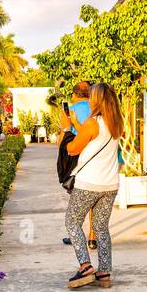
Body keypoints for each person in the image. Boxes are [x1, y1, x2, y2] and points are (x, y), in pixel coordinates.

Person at [63, 82, 124, 289]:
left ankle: (85, 266)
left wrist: (66, 130)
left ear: (96, 99)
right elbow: (96, 140)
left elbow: (72, 149)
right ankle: (104, 272)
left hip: (89, 182)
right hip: (110, 183)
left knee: (72, 222)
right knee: (101, 227)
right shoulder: (116, 122)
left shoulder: (92, 122)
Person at [58, 82, 95, 247]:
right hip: (95, 154)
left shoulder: (71, 110)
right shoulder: (96, 108)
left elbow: (63, 137)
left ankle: (76, 234)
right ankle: (93, 236)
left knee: (78, 197)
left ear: (74, 94)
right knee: (94, 196)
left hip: (77, 153)